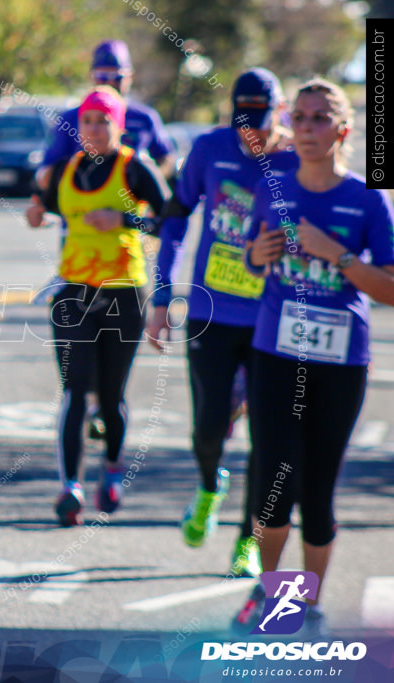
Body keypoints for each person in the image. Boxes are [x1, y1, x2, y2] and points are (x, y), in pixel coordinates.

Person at [231, 78, 394, 639]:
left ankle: (311, 602)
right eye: (298, 117)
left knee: (318, 488)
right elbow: (252, 259)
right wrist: (256, 252)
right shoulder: (272, 182)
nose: (305, 127)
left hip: (340, 362)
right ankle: (273, 591)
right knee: (274, 480)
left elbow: (390, 288)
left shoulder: (368, 199)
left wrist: (337, 254)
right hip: (275, 354)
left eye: (319, 118)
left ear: (342, 131)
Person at [145, 68, 298, 578]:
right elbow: (175, 215)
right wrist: (163, 293)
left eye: (258, 119)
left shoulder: (297, 159)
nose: (247, 130)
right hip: (213, 312)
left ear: (278, 112)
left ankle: (247, 541)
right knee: (209, 427)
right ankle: (211, 484)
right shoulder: (211, 149)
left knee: (268, 438)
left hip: (274, 318)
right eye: (241, 119)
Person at [31, 86, 171, 526]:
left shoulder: (135, 168)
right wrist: (38, 212)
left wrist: (126, 219)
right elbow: (49, 206)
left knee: (111, 396)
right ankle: (69, 487)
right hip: (73, 292)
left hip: (124, 293)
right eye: (88, 121)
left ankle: (111, 471)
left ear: (118, 125)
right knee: (74, 391)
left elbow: (170, 217)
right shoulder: (66, 169)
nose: (93, 129)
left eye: (103, 121)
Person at [34, 40, 175, 192]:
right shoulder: (68, 119)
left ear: (130, 76)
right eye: (102, 76)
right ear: (91, 76)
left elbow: (166, 158)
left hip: (131, 209)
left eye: (117, 77)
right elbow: (45, 172)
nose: (109, 82)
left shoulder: (145, 117)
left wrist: (146, 183)